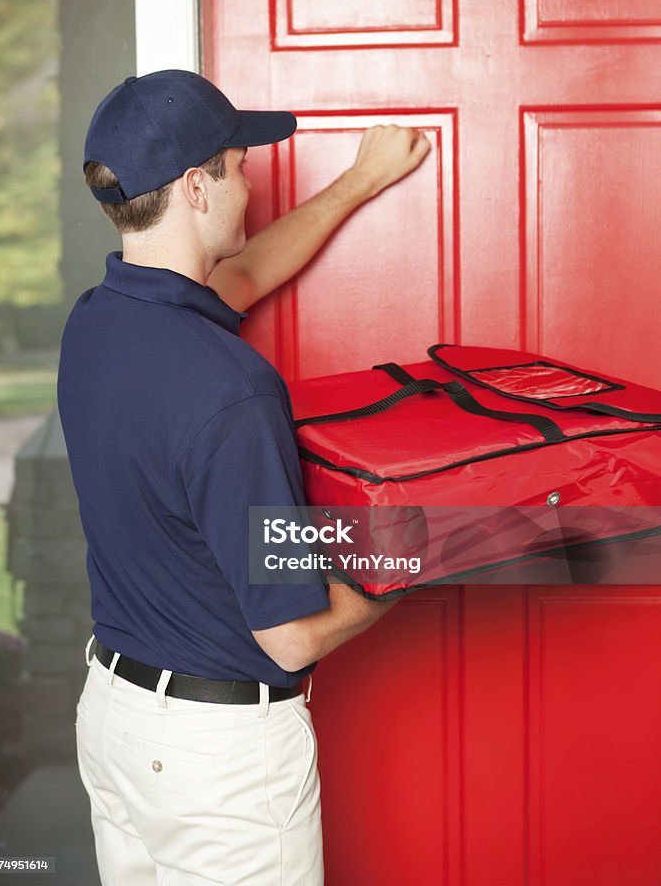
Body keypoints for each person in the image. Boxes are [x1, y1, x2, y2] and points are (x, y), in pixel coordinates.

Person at [57, 69, 430, 886]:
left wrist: (360, 182)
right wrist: (415, 564)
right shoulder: (234, 389)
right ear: (197, 187)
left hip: (117, 721)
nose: (252, 177)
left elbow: (244, 275)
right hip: (217, 764)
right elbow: (291, 634)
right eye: (238, 161)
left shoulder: (97, 323)